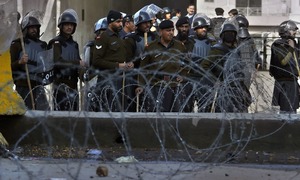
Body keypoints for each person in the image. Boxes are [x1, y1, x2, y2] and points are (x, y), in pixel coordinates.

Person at [135, 20, 187, 112]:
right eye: (168, 30)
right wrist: (141, 85)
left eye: (172, 30)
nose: (171, 33)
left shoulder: (180, 46)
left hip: (174, 86)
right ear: (160, 32)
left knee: (173, 117)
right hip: (156, 86)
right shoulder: (151, 47)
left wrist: (183, 75)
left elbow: (187, 64)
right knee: (156, 116)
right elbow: (143, 68)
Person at [201, 23, 251, 113]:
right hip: (224, 86)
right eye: (227, 33)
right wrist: (216, 76)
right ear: (223, 35)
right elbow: (205, 66)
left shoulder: (236, 50)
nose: (230, 35)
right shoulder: (216, 49)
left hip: (237, 87)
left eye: (232, 33)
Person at [92, 10, 133, 112]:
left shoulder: (120, 37)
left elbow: (121, 57)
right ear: (110, 22)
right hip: (108, 81)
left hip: (120, 81)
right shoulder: (103, 37)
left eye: (121, 21)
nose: (120, 24)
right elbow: (96, 61)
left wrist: (128, 64)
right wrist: (117, 66)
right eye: (118, 22)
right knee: (108, 111)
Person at [10, 15, 50, 110]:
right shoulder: (17, 45)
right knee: (24, 115)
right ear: (25, 29)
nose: (34, 30)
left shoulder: (43, 45)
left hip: (38, 86)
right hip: (23, 86)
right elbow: (9, 66)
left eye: (35, 27)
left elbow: (47, 67)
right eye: (31, 27)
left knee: (44, 115)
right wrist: (20, 62)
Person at [48, 9, 84, 111]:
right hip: (60, 85)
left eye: (71, 25)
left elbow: (78, 60)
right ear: (61, 26)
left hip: (73, 84)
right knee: (61, 116)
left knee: (74, 114)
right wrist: (77, 63)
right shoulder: (55, 42)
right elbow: (57, 62)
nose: (69, 27)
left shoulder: (74, 45)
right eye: (66, 24)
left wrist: (83, 68)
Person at [124, 11, 159, 112]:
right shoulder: (131, 39)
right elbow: (129, 60)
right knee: (133, 104)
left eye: (148, 22)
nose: (147, 25)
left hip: (151, 75)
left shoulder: (155, 37)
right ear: (138, 24)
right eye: (144, 23)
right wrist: (142, 56)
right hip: (135, 75)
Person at [270, 20, 299, 113]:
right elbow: (283, 61)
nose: (295, 32)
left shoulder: (293, 42)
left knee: (292, 110)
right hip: (285, 83)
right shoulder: (278, 44)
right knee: (286, 112)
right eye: (293, 30)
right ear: (287, 30)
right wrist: (290, 48)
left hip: (292, 81)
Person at [81, 17, 108, 111]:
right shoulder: (91, 46)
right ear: (97, 33)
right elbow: (87, 66)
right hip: (94, 81)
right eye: (102, 32)